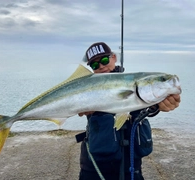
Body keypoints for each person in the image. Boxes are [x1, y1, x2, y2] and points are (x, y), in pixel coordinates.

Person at [77, 42, 181, 180]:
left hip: (130, 164)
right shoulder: (86, 85)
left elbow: (144, 106)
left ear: (113, 57)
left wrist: (158, 105)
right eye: (95, 65)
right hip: (94, 164)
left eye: (104, 60)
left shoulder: (134, 82)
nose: (101, 66)